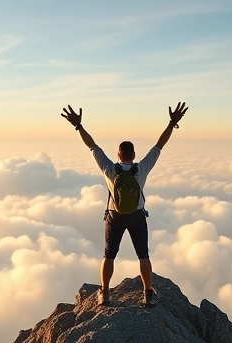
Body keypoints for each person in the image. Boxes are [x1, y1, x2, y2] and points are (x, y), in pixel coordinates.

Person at [61, 102, 188, 306]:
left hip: (115, 216)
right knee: (143, 255)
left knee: (109, 255)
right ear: (133, 155)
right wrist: (172, 123)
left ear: (119, 155)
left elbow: (92, 146)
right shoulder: (142, 168)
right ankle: (148, 293)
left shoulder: (110, 169)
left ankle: (104, 293)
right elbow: (159, 145)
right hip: (137, 216)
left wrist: (79, 126)